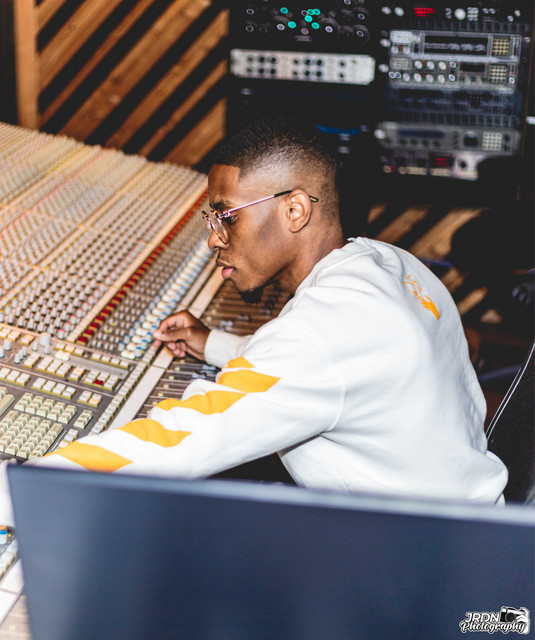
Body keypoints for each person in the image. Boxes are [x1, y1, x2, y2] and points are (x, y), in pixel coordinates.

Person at [0, 117, 507, 525]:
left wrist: (15, 489)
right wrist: (214, 344)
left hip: (420, 566)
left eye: (227, 216)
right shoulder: (390, 263)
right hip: (475, 522)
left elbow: (183, 439)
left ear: (294, 210)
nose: (213, 238)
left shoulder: (323, 335)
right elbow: (329, 371)